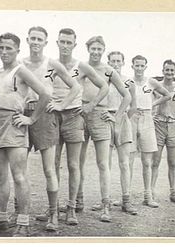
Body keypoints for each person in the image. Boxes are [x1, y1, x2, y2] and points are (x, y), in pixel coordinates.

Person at [0, 32, 50, 237]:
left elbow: (45, 94)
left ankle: (23, 223)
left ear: (17, 49)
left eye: (9, 48)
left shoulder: (21, 71)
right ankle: (0, 220)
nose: (4, 51)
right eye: (1, 47)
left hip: (13, 124)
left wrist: (31, 119)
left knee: (19, 175)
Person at [9, 26, 80, 231]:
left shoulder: (52, 64)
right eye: (32, 38)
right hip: (22, 114)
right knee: (18, 168)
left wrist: (62, 105)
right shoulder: (19, 63)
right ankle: (18, 212)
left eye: (40, 39)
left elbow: (75, 87)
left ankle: (53, 214)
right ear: (28, 40)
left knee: (49, 169)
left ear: (46, 42)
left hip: (45, 115)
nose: (36, 42)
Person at [50, 28, 109, 223]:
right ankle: (53, 210)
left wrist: (91, 105)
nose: (65, 46)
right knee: (53, 164)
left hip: (74, 117)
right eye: (62, 42)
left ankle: (71, 209)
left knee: (73, 165)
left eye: (69, 42)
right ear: (57, 43)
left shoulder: (81, 66)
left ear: (75, 45)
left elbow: (104, 86)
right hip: (53, 117)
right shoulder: (49, 65)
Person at [78, 36, 131, 222]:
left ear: (103, 50)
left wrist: (116, 117)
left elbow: (127, 96)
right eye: (93, 48)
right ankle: (78, 201)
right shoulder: (81, 67)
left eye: (99, 49)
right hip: (81, 114)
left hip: (100, 116)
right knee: (78, 161)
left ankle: (106, 205)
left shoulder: (108, 71)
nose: (96, 52)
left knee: (103, 164)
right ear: (88, 49)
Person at [90, 51, 137, 215]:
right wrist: (108, 116)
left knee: (124, 163)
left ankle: (126, 200)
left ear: (123, 63)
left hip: (121, 120)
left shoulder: (129, 81)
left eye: (119, 61)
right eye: (113, 61)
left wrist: (119, 117)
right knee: (105, 164)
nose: (115, 64)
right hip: (105, 119)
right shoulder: (102, 79)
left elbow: (133, 106)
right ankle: (105, 200)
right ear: (108, 62)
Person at [127, 55, 171, 208]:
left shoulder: (151, 81)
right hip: (132, 118)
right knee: (129, 160)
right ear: (132, 66)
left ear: (145, 67)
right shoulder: (128, 81)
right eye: (136, 65)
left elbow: (167, 95)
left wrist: (153, 104)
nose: (139, 68)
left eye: (142, 66)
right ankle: (126, 196)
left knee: (147, 161)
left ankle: (148, 196)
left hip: (147, 118)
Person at [151, 59, 175, 205]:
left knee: (173, 162)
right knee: (155, 161)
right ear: (163, 71)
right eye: (167, 70)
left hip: (173, 125)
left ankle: (173, 193)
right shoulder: (156, 85)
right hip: (158, 124)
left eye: (172, 70)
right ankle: (151, 192)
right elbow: (148, 100)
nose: (169, 73)